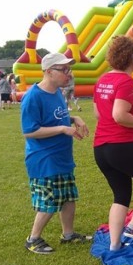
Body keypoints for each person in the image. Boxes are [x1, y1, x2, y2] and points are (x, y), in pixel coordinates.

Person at [20, 52, 92, 254]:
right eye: (64, 70)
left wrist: (73, 118)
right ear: (49, 72)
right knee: (48, 201)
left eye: (69, 69)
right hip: (44, 159)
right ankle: (33, 239)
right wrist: (62, 129)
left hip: (62, 157)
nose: (68, 74)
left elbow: (56, 117)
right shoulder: (33, 97)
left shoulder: (57, 93)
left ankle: (68, 234)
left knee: (68, 197)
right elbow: (30, 131)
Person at [93, 35, 133, 252]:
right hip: (122, 145)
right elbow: (119, 115)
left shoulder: (103, 80)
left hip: (101, 148)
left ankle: (115, 244)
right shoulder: (126, 81)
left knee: (121, 195)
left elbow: (99, 114)